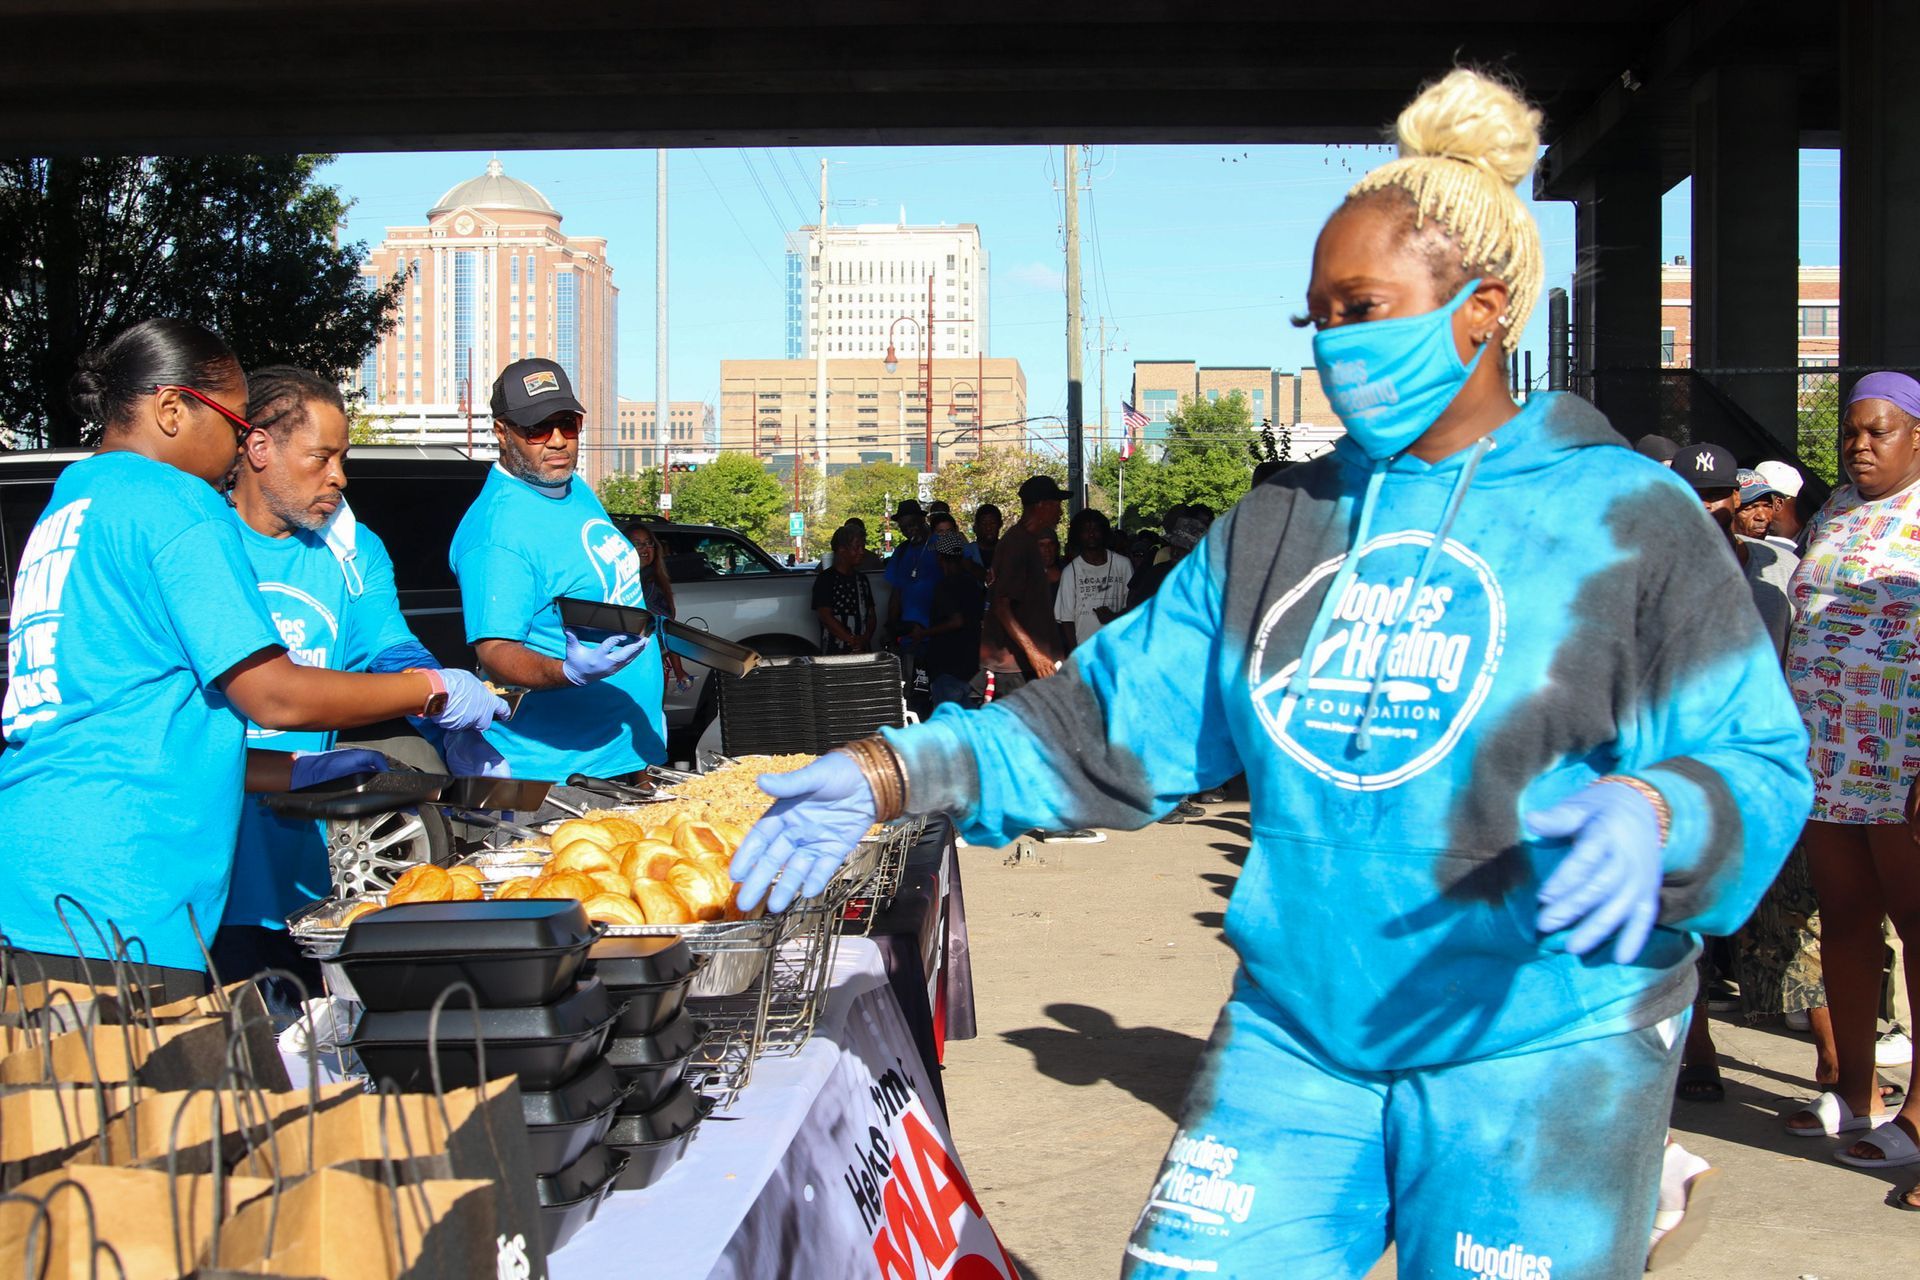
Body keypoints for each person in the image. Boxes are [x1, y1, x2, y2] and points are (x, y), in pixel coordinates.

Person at [729, 69, 1810, 1276]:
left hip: (1542, 1045)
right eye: (1319, 317)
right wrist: (891, 770)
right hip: (1300, 1033)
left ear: (1482, 310)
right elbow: (1108, 719)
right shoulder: (1281, 524)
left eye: (1364, 306)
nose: (1338, 343)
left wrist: (1660, 808)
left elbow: (1756, 753)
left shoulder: (1627, 515)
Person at [0, 320, 462, 997]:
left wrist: (300, 770)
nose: (240, 442)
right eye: (233, 421)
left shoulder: (74, 501)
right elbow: (274, 697)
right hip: (122, 888)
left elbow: (135, 725)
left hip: (36, 879)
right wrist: (428, 689)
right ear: (170, 409)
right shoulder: (175, 503)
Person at [212, 366, 508, 992]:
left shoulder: (351, 548)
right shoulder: (200, 546)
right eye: (321, 457)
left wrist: (437, 692)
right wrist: (425, 690)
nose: (339, 477)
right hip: (204, 858)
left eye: (342, 457)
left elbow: (386, 640)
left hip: (299, 859)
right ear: (257, 448)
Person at [1781, 371, 1920, 1196]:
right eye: (1853, 435)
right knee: (1845, 920)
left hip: (1902, 756)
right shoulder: (1835, 509)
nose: (1860, 446)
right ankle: (1855, 1090)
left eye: (1879, 432)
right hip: (1826, 753)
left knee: (1916, 924)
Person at [447, 358, 660, 782]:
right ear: (502, 433)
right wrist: (568, 673)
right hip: (559, 776)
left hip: (625, 750)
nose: (558, 441)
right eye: (537, 429)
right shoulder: (497, 532)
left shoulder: (571, 487)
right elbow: (495, 652)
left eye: (568, 423)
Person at [1668, 442, 1800, 1104]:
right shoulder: (1646, 586)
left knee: (1773, 923)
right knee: (1681, 922)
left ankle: (1836, 1072)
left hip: (1749, 778)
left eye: (1719, 503)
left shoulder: (1770, 599)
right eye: (1689, 502)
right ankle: (1698, 1049)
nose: (1707, 515)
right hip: (1672, 778)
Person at [978, 475, 1069, 695]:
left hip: (1032, 664)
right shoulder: (1016, 543)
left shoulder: (1029, 541)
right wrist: (1033, 653)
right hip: (1014, 668)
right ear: (1042, 506)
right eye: (1057, 505)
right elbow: (1001, 606)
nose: (1060, 512)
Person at [915, 529, 984, 708]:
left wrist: (924, 633)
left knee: (949, 729)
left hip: (947, 668)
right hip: (971, 668)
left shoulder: (944, 587)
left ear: (940, 558)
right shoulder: (973, 585)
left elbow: (956, 621)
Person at [1055, 508, 1132, 651]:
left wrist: (1115, 616)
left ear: (1104, 532)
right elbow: (1066, 619)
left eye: (1096, 529)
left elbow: (1134, 606)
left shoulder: (1123, 564)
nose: (1091, 534)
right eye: (1085, 530)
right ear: (1078, 535)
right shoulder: (1070, 572)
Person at [628, 523, 691, 689]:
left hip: (651, 663)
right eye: (637, 543)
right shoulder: (616, 583)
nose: (645, 548)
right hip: (625, 665)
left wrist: (678, 670)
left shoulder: (654, 585)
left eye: (649, 543)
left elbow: (667, 630)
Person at [883, 499, 939, 653]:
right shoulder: (901, 551)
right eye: (903, 527)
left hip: (938, 634)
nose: (908, 530)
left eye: (912, 524)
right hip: (910, 637)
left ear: (922, 520)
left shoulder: (939, 544)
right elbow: (896, 594)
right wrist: (892, 630)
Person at [812, 525, 876, 654]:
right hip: (835, 652)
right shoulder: (825, 579)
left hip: (862, 651)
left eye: (863, 547)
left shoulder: (862, 579)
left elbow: (871, 615)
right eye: (856, 547)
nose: (862, 552)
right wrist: (852, 640)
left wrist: (865, 639)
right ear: (841, 550)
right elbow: (825, 616)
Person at [1734, 468, 1788, 544]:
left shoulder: (1779, 552)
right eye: (1750, 508)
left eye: (1768, 506)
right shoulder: (1715, 551)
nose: (1762, 517)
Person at [965, 503, 1002, 576]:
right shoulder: (967, 551)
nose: (988, 528)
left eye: (992, 523)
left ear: (1000, 524)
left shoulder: (1009, 550)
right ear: (976, 527)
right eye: (984, 524)